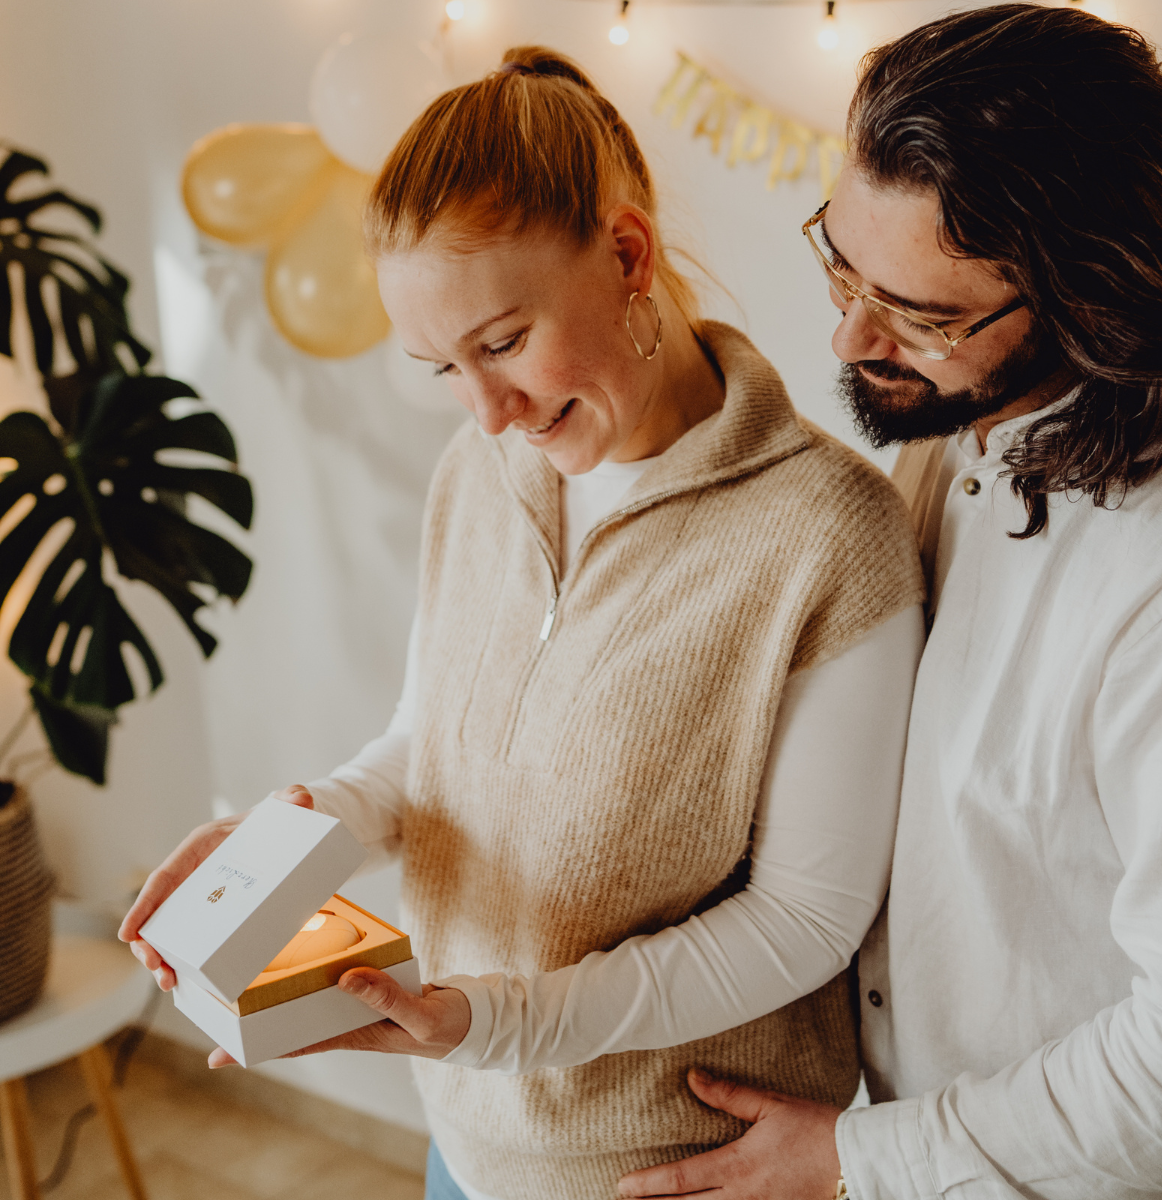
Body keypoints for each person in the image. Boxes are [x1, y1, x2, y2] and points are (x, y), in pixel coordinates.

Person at [120, 47, 926, 1200]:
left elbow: (803, 922)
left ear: (629, 255)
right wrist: (289, 843)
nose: (487, 409)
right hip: (468, 1141)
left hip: (669, 1172)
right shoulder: (479, 469)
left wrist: (491, 1020)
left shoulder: (829, 536)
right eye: (443, 366)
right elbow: (429, 741)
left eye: (501, 343)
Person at [613, 5, 1162, 1198]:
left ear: (1095, 296)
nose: (847, 332)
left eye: (922, 317)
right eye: (840, 259)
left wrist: (861, 1163)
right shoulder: (957, 435)